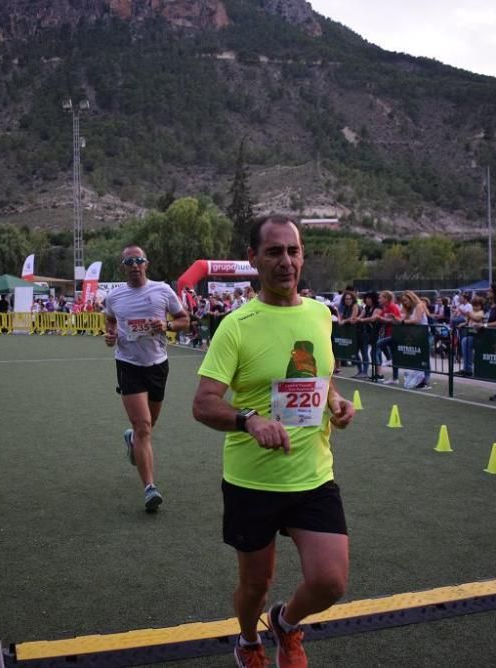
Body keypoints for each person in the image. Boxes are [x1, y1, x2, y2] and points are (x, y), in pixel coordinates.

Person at [193, 215, 355, 668]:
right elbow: (204, 404)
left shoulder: (320, 315)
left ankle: (284, 623)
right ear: (253, 259)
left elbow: (322, 379)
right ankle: (247, 640)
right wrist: (248, 420)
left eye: (293, 251)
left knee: (330, 582)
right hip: (253, 481)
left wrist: (337, 404)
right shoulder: (237, 325)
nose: (286, 261)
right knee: (255, 586)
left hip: (313, 475)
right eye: (274, 252)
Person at [104, 245, 189, 511]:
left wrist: (167, 326)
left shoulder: (162, 290)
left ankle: (132, 440)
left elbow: (185, 319)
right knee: (144, 427)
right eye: (129, 261)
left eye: (138, 260)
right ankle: (150, 488)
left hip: (157, 365)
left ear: (146, 264)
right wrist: (110, 335)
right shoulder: (114, 297)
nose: (134, 265)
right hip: (128, 365)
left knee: (148, 426)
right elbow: (109, 321)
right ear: (123, 267)